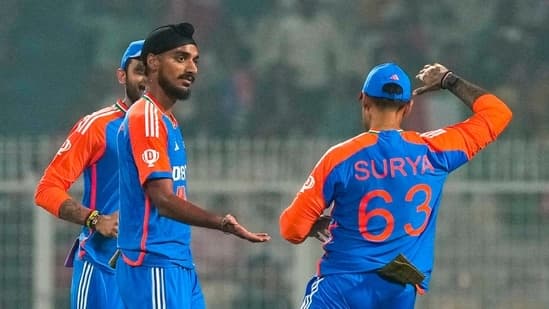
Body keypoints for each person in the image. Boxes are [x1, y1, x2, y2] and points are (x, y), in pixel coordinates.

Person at [279, 62, 512, 308]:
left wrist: (311, 224)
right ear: (408, 107)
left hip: (341, 288)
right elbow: (498, 114)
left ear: (364, 102)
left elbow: (291, 229)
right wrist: (448, 80)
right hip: (397, 290)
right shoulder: (435, 151)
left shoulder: (340, 158)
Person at [115, 22, 270, 309]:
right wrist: (222, 223)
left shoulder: (167, 120)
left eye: (195, 61)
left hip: (178, 262)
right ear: (152, 62)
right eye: (180, 58)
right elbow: (162, 199)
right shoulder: (145, 116)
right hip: (154, 262)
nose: (192, 69)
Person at [34, 39, 146, 309]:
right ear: (122, 76)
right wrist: (96, 219)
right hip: (102, 270)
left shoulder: (168, 130)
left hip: (147, 275)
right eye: (140, 70)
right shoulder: (97, 126)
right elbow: (47, 190)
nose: (149, 79)